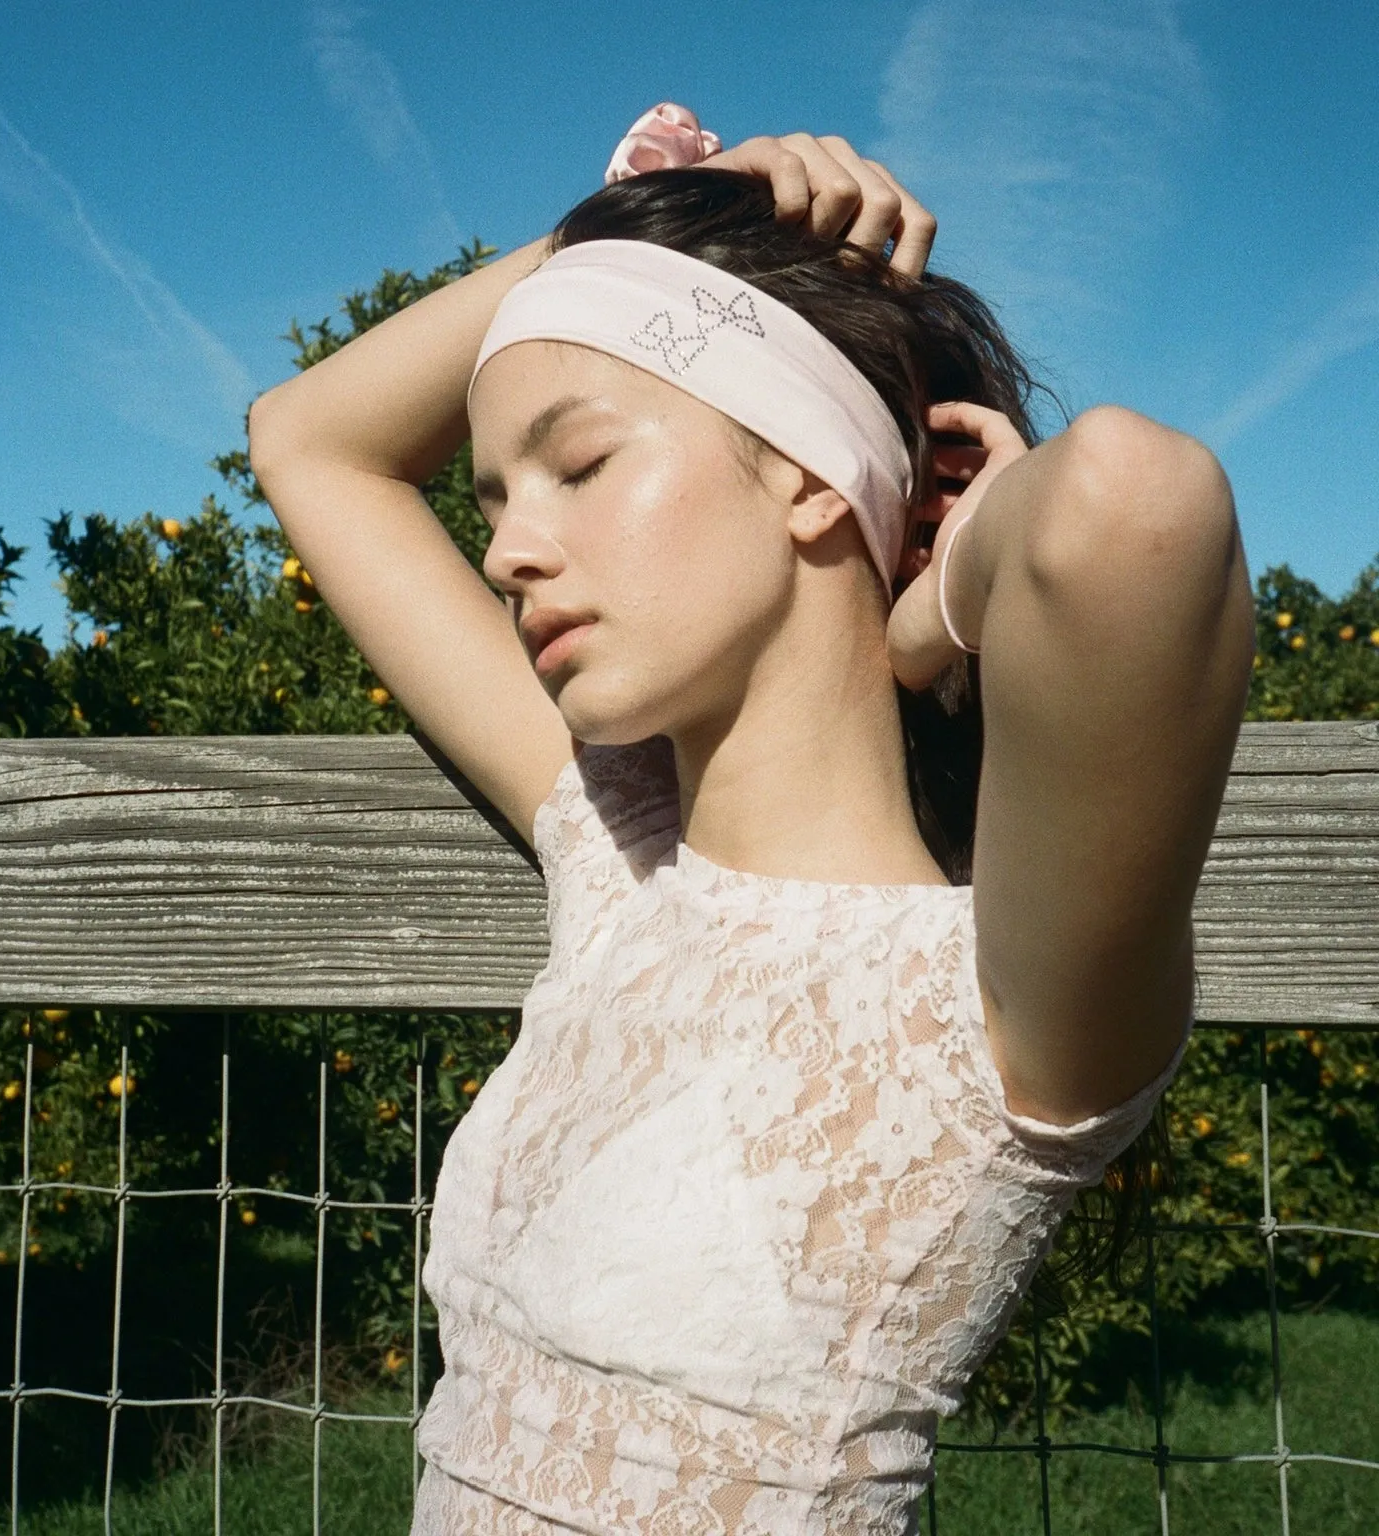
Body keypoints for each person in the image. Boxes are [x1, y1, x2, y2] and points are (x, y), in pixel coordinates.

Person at [248, 104, 1256, 1536]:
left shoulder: (1003, 1009)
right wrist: (652, 215)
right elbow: (305, 441)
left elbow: (1132, 506)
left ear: (807, 474)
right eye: (495, 496)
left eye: (580, 466)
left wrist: (936, 611)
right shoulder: (612, 848)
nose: (508, 548)